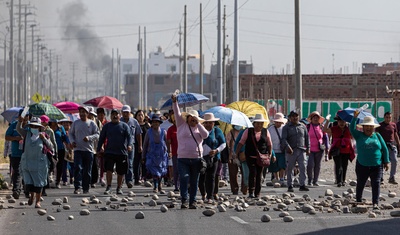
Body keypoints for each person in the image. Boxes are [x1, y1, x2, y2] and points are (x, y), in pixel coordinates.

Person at [172, 93, 209, 209]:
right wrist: (175, 102)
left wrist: (198, 124)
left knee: (194, 181)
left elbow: (206, 135)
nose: (192, 120)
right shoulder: (181, 125)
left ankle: (192, 201)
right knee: (184, 177)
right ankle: (184, 199)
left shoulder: (199, 128)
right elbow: (177, 113)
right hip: (182, 158)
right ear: (187, 118)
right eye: (191, 118)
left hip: (197, 159)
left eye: (194, 118)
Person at [350, 113, 389, 209]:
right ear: (363, 127)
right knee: (361, 183)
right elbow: (351, 128)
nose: (368, 128)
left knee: (376, 183)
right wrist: (354, 118)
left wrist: (386, 161)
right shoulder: (359, 135)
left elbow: (384, 149)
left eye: (370, 126)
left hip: (377, 165)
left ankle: (375, 203)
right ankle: (358, 199)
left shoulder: (377, 136)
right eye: (366, 126)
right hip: (362, 164)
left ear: (373, 127)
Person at [16, 117, 54, 208]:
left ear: (39, 127)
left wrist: (44, 138)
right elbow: (18, 129)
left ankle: (37, 201)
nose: (34, 127)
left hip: (40, 164)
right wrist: (20, 121)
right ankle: (31, 196)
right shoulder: (27, 134)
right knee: (29, 183)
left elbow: (51, 146)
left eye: (36, 126)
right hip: (28, 163)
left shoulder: (44, 135)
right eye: (32, 126)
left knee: (39, 183)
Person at [236, 114, 273, 198]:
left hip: (262, 157)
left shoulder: (265, 131)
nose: (260, 125)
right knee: (252, 173)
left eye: (261, 123)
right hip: (250, 156)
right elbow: (241, 142)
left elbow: (269, 143)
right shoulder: (248, 131)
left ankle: (257, 193)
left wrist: (270, 154)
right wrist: (236, 153)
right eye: (258, 123)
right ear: (254, 123)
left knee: (259, 174)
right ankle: (251, 192)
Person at [98, 109, 133, 195]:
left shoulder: (124, 126)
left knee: (120, 172)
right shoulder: (107, 126)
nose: (115, 116)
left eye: (116, 114)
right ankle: (109, 187)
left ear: (119, 116)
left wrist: (129, 145)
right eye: (113, 114)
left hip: (122, 152)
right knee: (109, 170)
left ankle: (119, 187)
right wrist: (99, 149)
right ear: (110, 116)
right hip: (109, 152)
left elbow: (129, 137)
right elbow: (101, 138)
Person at [69, 106, 99, 194]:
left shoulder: (92, 123)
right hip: (78, 149)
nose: (82, 114)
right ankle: (77, 187)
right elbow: (71, 134)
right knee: (77, 167)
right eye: (80, 112)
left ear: (87, 113)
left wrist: (89, 138)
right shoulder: (75, 123)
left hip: (88, 151)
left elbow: (97, 134)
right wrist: (72, 141)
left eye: (83, 112)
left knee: (87, 170)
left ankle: (86, 187)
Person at [199, 113, 226, 203]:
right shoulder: (199, 131)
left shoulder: (217, 131)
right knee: (201, 177)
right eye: (206, 123)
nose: (208, 125)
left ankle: (210, 196)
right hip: (201, 158)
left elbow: (223, 143)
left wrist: (216, 150)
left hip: (213, 158)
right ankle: (203, 194)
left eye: (210, 123)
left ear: (213, 123)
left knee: (211, 177)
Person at [323, 113, 355, 187]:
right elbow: (324, 130)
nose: (341, 123)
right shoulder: (334, 128)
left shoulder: (349, 129)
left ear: (346, 122)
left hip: (346, 151)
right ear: (337, 121)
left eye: (343, 121)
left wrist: (354, 120)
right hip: (336, 151)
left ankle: (343, 180)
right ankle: (339, 181)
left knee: (344, 166)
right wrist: (327, 120)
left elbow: (354, 134)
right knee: (338, 166)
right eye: (340, 121)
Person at [282, 110, 310, 192]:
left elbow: (307, 138)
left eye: (296, 116)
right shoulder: (286, 127)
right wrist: (288, 147)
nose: (295, 118)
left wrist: (308, 148)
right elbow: (283, 139)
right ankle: (290, 185)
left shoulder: (303, 126)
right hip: (291, 151)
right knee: (290, 168)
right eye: (293, 116)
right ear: (290, 118)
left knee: (303, 167)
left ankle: (302, 184)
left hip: (301, 150)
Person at [5, 109, 29, 199]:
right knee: (17, 172)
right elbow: (7, 137)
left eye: (26, 116)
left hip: (27, 154)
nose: (24, 118)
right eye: (23, 116)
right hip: (16, 154)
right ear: (19, 116)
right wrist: (15, 138)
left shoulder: (31, 127)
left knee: (26, 172)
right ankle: (16, 190)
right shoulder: (14, 125)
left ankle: (27, 190)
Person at [142, 114, 168, 194]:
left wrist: (169, 152)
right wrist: (143, 156)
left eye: (157, 122)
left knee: (160, 170)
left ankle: (160, 184)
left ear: (159, 123)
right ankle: (155, 186)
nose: (155, 124)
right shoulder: (148, 132)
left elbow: (167, 143)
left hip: (161, 156)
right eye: (154, 122)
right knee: (154, 171)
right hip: (152, 155)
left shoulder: (163, 132)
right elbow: (145, 144)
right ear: (152, 123)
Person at [121, 105, 142, 188]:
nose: (126, 114)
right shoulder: (119, 121)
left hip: (131, 145)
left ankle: (129, 180)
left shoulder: (134, 122)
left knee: (130, 163)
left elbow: (138, 134)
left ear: (130, 113)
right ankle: (121, 179)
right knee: (121, 163)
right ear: (122, 113)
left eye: (127, 112)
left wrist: (140, 145)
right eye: (124, 112)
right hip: (121, 145)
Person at [376, 111, 400, 184]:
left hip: (391, 145)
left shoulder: (393, 125)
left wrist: (399, 144)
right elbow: (376, 135)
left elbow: (395, 135)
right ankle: (381, 178)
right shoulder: (380, 125)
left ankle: (392, 177)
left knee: (394, 160)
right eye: (387, 117)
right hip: (383, 146)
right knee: (382, 162)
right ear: (384, 117)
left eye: (389, 117)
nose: (388, 119)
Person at [306, 111, 328, 186]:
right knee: (310, 165)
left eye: (317, 117)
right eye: (314, 117)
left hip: (319, 149)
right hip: (310, 149)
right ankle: (309, 180)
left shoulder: (321, 127)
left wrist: (327, 148)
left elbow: (325, 137)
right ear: (311, 119)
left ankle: (315, 181)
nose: (315, 119)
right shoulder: (307, 127)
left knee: (317, 165)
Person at [267, 112, 287, 186]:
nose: (278, 123)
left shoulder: (284, 128)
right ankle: (276, 178)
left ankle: (281, 178)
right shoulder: (270, 129)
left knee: (282, 165)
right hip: (273, 150)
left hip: (282, 150)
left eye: (279, 122)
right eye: (277, 122)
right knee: (274, 166)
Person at [39, 115, 57, 196]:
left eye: (44, 122)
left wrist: (55, 153)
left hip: (48, 152)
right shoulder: (36, 130)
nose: (43, 123)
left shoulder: (49, 131)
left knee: (49, 167)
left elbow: (53, 143)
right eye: (41, 122)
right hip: (39, 153)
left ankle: (45, 187)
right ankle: (41, 189)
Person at [49, 119, 69, 188]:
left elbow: (65, 137)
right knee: (50, 164)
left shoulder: (60, 128)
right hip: (50, 149)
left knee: (60, 165)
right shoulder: (47, 128)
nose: (56, 122)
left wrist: (68, 144)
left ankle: (57, 181)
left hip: (60, 149)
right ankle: (49, 179)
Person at [87, 107, 103, 188]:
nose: (90, 116)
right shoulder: (83, 122)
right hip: (85, 146)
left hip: (95, 146)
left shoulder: (97, 122)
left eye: (91, 115)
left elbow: (101, 135)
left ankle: (93, 181)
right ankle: (86, 180)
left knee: (95, 164)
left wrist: (101, 146)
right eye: (89, 114)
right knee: (86, 164)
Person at [227, 125, 245, 195]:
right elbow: (227, 145)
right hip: (232, 156)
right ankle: (234, 189)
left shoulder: (244, 132)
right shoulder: (230, 133)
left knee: (244, 172)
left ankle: (244, 188)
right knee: (233, 174)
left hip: (242, 156)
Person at [134, 110, 150, 185]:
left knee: (145, 162)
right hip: (136, 146)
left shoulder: (147, 126)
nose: (140, 117)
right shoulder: (135, 125)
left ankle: (144, 177)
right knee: (136, 163)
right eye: (139, 115)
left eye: (142, 115)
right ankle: (137, 178)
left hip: (146, 146)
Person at [166, 109, 180, 192]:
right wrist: (169, 151)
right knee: (176, 169)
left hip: (184, 152)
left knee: (183, 169)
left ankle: (183, 184)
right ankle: (176, 186)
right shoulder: (170, 129)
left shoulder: (183, 128)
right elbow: (168, 142)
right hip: (175, 152)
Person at [59, 118, 74, 185]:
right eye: (64, 123)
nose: (66, 125)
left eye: (67, 123)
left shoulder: (72, 132)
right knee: (64, 165)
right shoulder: (61, 132)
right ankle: (64, 180)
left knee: (72, 164)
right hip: (63, 150)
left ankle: (72, 177)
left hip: (71, 150)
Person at [96, 107, 108, 186]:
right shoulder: (95, 123)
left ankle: (102, 177)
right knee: (98, 162)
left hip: (106, 144)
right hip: (97, 144)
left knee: (104, 162)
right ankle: (99, 177)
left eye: (102, 115)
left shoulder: (107, 123)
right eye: (99, 115)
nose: (100, 116)